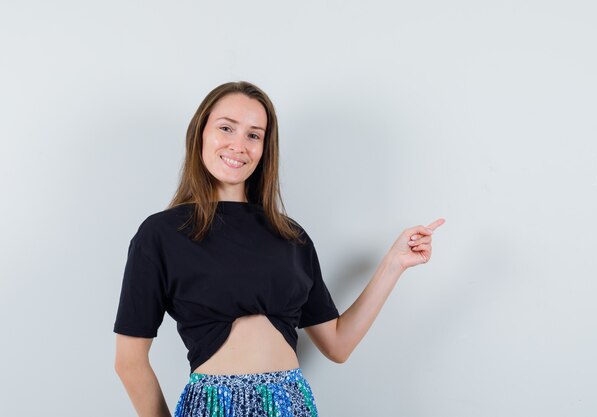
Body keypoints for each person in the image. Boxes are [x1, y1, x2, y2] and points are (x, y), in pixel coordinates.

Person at [113, 80, 445, 417]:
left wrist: (394, 263)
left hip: (290, 404)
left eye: (254, 135)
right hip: (214, 407)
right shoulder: (161, 234)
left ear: (264, 148)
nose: (239, 145)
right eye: (226, 128)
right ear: (200, 132)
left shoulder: (290, 237)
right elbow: (129, 361)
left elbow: (338, 344)